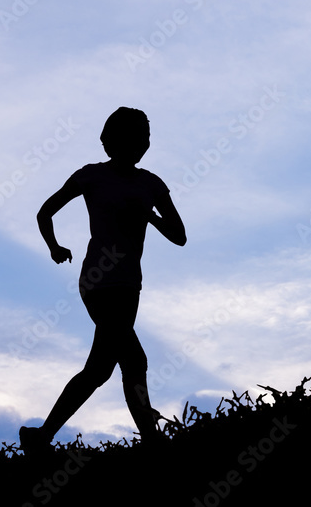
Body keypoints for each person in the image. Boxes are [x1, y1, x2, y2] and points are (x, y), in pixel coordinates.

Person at [19, 107, 186, 454]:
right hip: (97, 282)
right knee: (134, 359)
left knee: (99, 370)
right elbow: (45, 211)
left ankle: (39, 438)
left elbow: (180, 235)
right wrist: (54, 247)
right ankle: (153, 442)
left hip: (129, 286)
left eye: (145, 138)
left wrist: (151, 218)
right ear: (111, 142)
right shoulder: (90, 176)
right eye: (134, 137)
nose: (142, 144)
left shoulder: (151, 184)